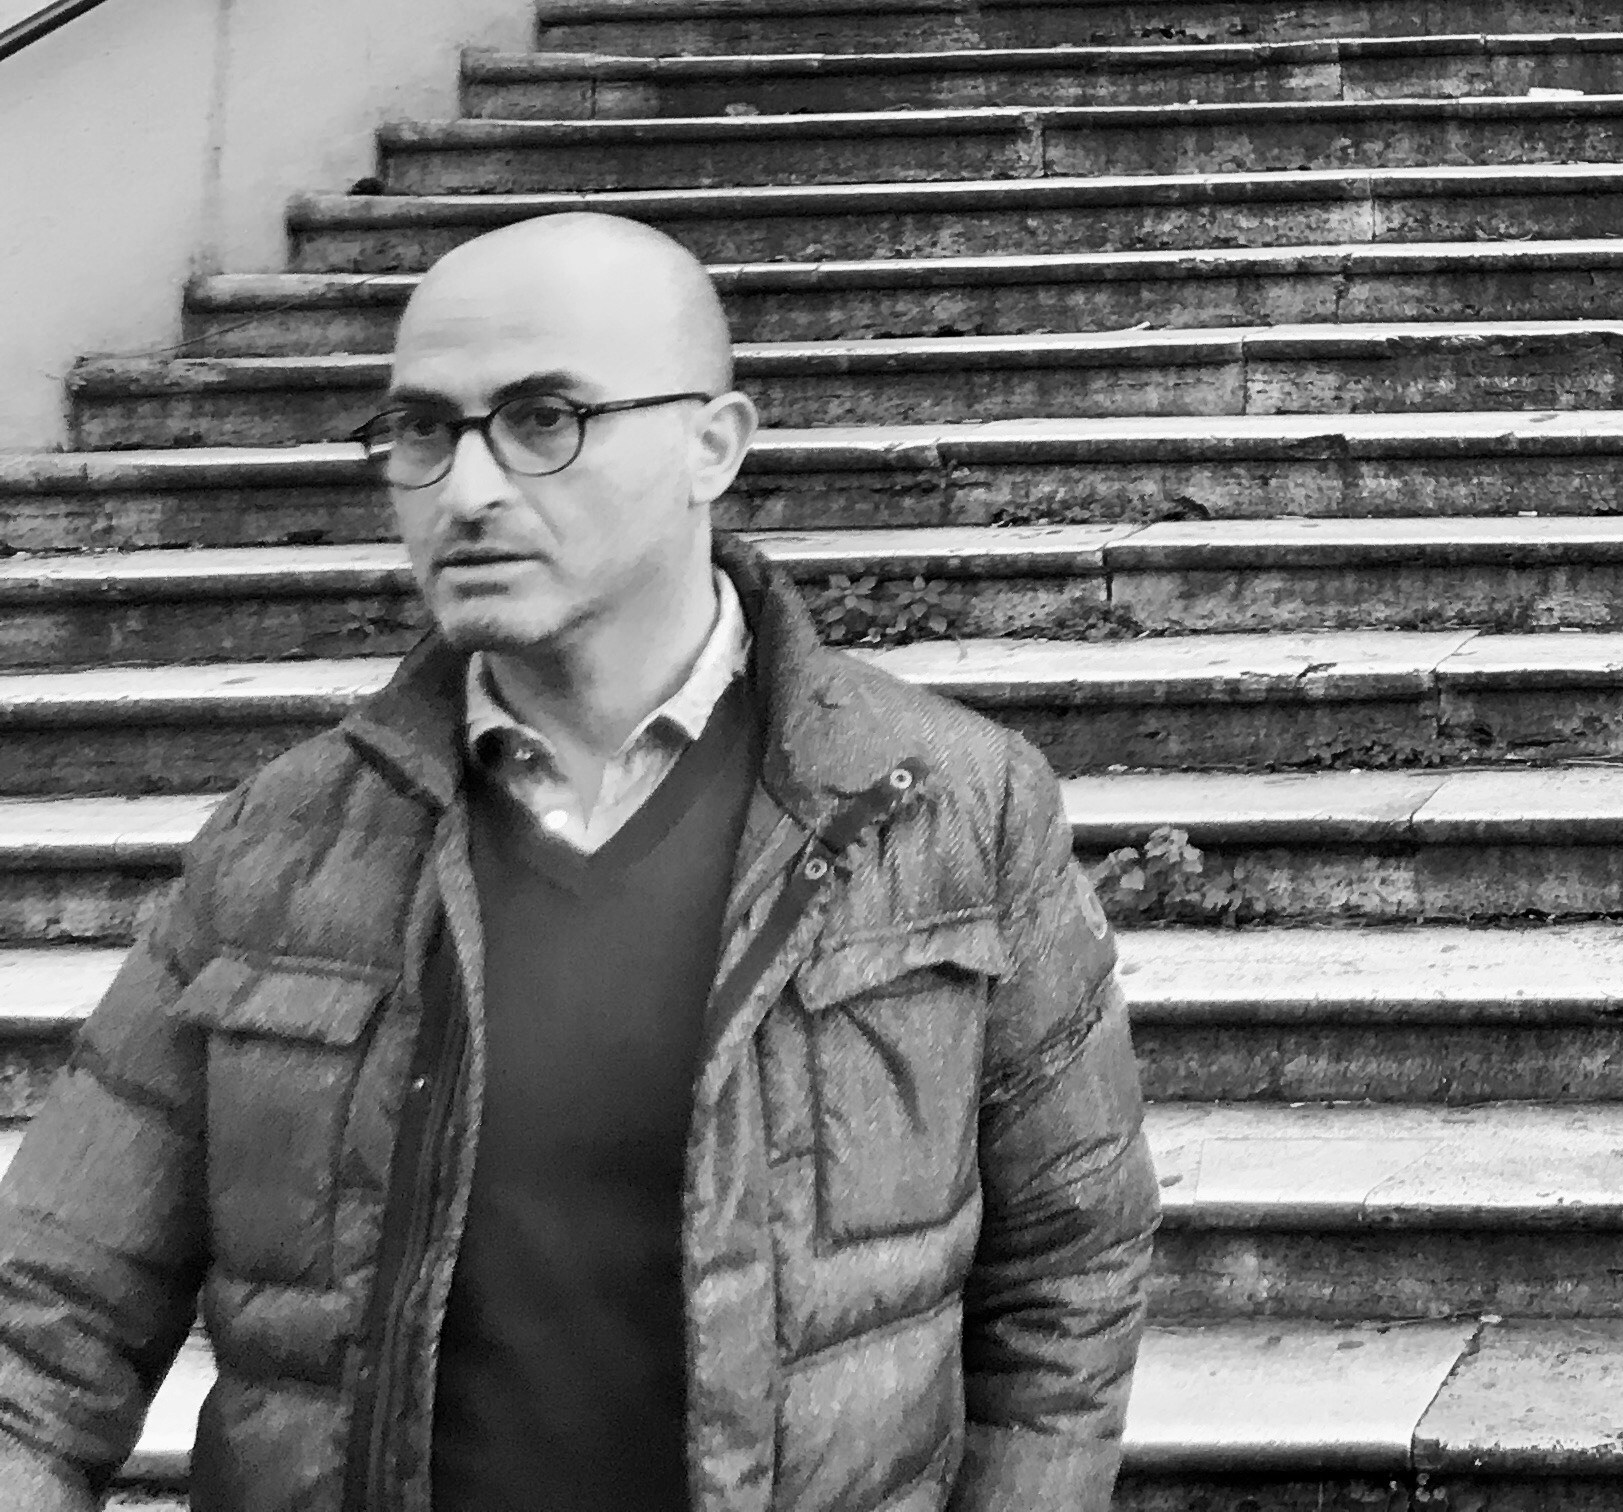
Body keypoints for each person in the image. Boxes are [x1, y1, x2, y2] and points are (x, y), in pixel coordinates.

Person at [0, 212, 1154, 1512]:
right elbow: (43, 1325)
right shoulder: (281, 844)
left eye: (544, 418)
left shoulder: (951, 809)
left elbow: (1071, 1269)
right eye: (422, 430)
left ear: (714, 446)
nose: (466, 491)